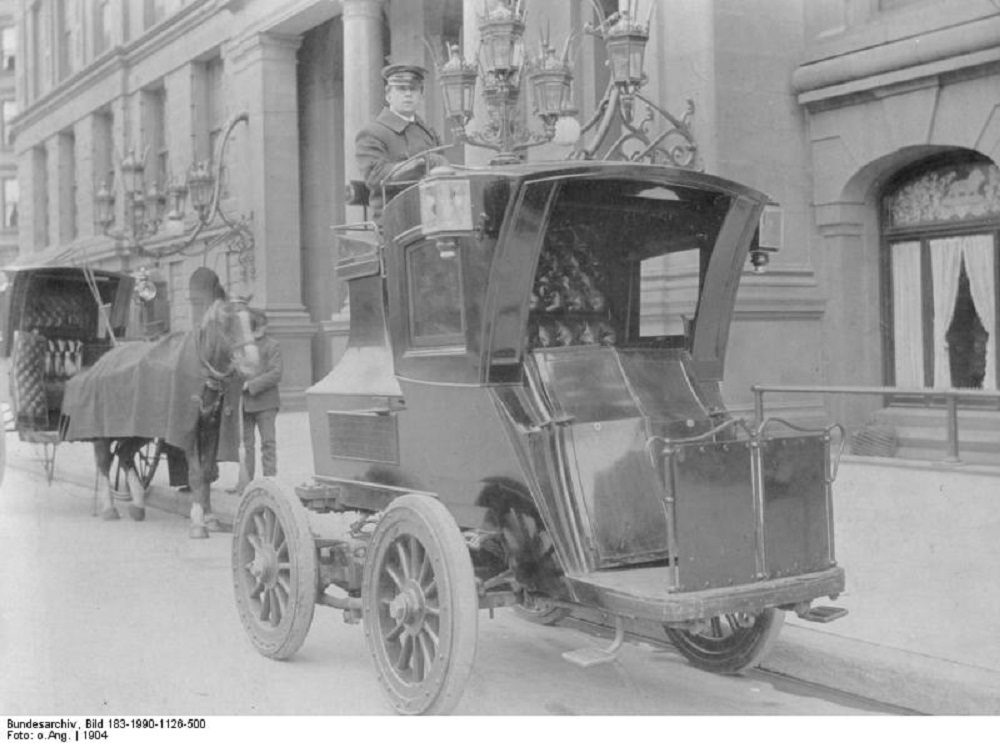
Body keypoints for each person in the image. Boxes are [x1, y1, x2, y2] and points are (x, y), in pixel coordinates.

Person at [355, 63, 446, 218]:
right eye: (401, 89)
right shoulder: (372, 133)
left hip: (432, 215)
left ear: (421, 94)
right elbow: (374, 178)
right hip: (395, 219)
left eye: (414, 89)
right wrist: (418, 164)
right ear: (388, 95)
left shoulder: (429, 132)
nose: (408, 94)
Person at [238, 308, 282, 482]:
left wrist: (250, 385)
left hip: (266, 403)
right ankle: (247, 483)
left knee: (268, 444)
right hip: (245, 404)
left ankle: (270, 482)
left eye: (262, 326)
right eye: (255, 326)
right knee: (246, 446)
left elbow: (276, 373)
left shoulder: (273, 345)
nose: (260, 329)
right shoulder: (241, 347)